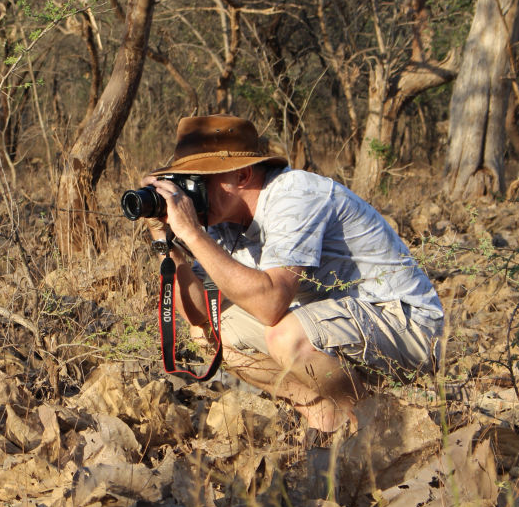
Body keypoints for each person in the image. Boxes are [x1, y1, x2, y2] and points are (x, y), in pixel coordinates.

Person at [140, 114, 443, 432]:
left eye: (199, 181)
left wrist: (193, 234)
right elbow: (198, 311)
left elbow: (270, 305)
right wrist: (167, 241)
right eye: (184, 181)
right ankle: (326, 417)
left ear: (242, 175)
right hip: (335, 323)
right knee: (208, 333)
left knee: (286, 336)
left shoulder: (294, 194)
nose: (190, 193)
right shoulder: (223, 214)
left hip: (406, 324)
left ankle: (374, 429)